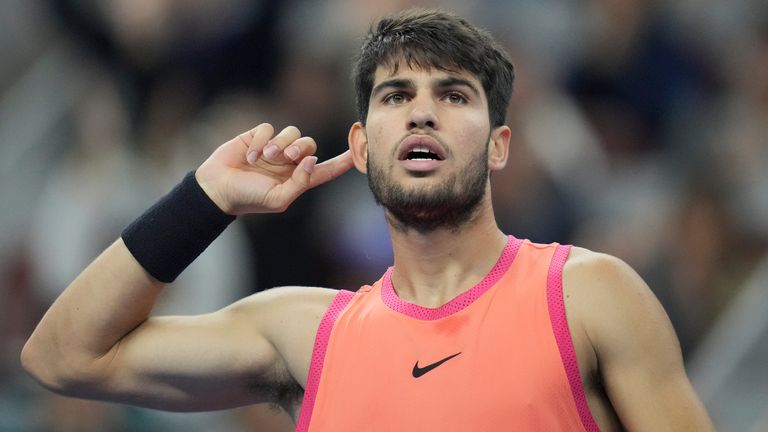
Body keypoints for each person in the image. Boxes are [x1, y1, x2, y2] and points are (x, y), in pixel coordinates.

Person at [21, 8, 714, 431]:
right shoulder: (303, 332)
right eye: (394, 96)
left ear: (499, 145)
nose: (421, 111)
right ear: (359, 146)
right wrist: (205, 198)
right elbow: (62, 355)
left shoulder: (589, 294)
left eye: (452, 95)